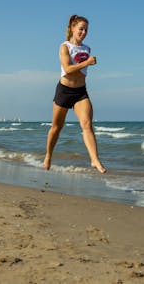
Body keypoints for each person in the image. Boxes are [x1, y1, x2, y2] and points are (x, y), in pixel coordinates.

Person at [43, 15, 107, 173]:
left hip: (80, 92)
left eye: (86, 30)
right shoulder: (65, 47)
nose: (84, 32)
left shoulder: (87, 49)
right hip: (64, 91)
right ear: (72, 28)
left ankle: (95, 159)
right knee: (56, 128)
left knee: (87, 125)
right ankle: (48, 155)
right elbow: (67, 68)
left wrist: (88, 61)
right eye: (81, 29)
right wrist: (87, 62)